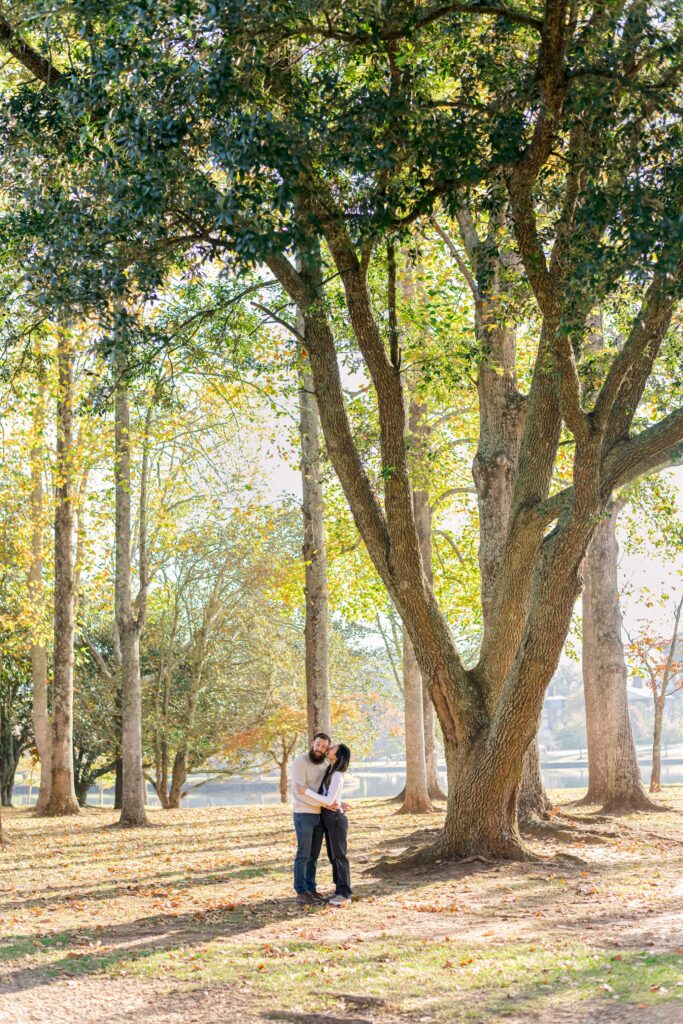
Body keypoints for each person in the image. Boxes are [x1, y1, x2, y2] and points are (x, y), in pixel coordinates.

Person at [297, 742, 352, 906]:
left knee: (339, 856)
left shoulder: (336, 775)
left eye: (333, 748)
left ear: (338, 755)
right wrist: (339, 802)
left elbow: (329, 800)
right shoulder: (330, 771)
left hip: (335, 819)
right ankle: (339, 891)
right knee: (333, 857)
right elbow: (331, 798)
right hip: (329, 818)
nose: (330, 748)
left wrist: (305, 791)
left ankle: (345, 894)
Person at [290, 732, 331, 905]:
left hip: (319, 814)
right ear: (312, 743)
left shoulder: (325, 764)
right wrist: (322, 804)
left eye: (323, 746)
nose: (319, 748)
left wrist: (326, 805)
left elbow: (325, 791)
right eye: (318, 744)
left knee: (314, 855)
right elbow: (300, 790)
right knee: (303, 853)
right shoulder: (301, 761)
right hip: (303, 813)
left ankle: (311, 888)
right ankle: (301, 891)